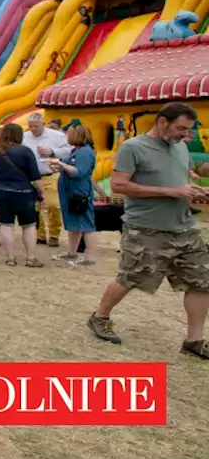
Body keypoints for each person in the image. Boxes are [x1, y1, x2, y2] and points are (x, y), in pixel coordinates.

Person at [88, 102, 209, 359]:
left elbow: (180, 181)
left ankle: (194, 340)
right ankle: (100, 316)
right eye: (180, 128)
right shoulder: (133, 148)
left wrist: (194, 191)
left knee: (202, 282)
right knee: (131, 278)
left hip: (184, 227)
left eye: (187, 130)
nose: (184, 134)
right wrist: (171, 192)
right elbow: (119, 185)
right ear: (162, 121)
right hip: (146, 228)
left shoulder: (181, 147)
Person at [0, 123, 45, 267]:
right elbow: (35, 177)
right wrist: (42, 193)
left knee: (6, 224)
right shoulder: (25, 151)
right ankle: (30, 257)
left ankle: (10, 257)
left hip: (0, 191)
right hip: (23, 192)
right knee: (29, 225)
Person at [24, 112, 71, 247]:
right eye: (31, 126)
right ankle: (40, 235)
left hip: (51, 175)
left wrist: (52, 152)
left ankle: (54, 234)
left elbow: (68, 150)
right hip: (31, 177)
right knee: (36, 208)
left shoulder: (57, 136)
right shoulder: (25, 137)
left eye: (36, 126)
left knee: (53, 205)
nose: (33, 129)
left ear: (43, 124)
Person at [55, 125, 98, 267]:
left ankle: (90, 258)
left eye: (69, 133)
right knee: (73, 223)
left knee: (86, 223)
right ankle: (72, 252)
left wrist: (59, 163)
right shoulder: (76, 151)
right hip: (70, 191)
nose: (66, 136)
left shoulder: (85, 152)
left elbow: (78, 172)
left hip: (79, 192)